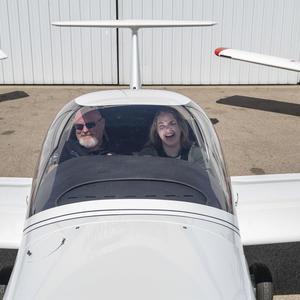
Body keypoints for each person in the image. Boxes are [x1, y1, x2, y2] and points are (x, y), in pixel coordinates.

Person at [140, 107, 205, 166]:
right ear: (156, 131)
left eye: (172, 123)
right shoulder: (148, 155)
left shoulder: (197, 154)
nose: (168, 129)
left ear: (181, 127)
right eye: (162, 126)